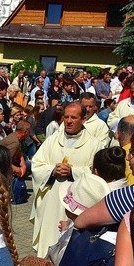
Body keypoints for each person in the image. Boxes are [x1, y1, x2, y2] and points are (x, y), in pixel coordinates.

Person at [30, 102, 101, 257]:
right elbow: (36, 165)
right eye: (66, 117)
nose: (68, 121)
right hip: (52, 201)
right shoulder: (52, 140)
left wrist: (72, 171)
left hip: (77, 205)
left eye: (73, 117)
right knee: (48, 241)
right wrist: (52, 170)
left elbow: (96, 175)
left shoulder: (94, 144)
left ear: (83, 119)